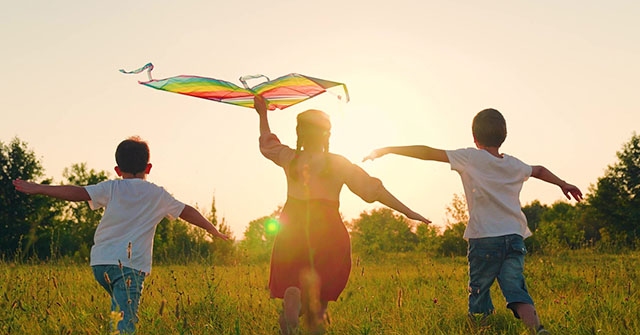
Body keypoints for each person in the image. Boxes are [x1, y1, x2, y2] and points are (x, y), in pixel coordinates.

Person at [364, 108, 582, 335]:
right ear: (503, 136)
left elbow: (428, 152)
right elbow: (538, 170)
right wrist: (562, 183)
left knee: (479, 291)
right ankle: (538, 329)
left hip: (484, 238)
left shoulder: (470, 157)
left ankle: (481, 330)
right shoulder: (515, 164)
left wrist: (388, 149)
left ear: (475, 138)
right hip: (515, 238)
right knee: (515, 287)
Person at [13, 136, 228, 334]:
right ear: (148, 167)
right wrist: (212, 229)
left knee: (120, 312)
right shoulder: (157, 194)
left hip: (100, 264)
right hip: (129, 267)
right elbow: (187, 211)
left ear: (117, 169)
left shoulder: (112, 187)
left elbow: (77, 192)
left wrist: (39, 187)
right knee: (125, 325)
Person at [253, 95, 430, 334]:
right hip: (327, 230)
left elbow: (267, 143)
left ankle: (292, 301)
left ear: (300, 134)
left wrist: (262, 114)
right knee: (320, 296)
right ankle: (311, 314)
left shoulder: (290, 158)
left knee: (292, 284)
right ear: (327, 134)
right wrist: (408, 211)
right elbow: (374, 190)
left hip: (293, 226)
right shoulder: (338, 163)